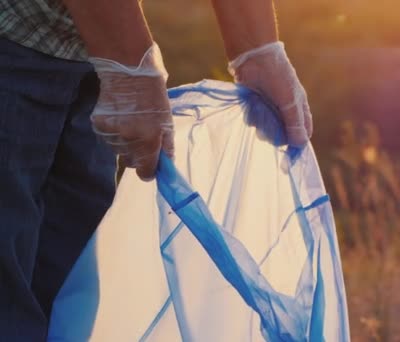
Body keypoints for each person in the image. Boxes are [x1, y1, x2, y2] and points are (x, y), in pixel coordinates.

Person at [0, 0, 313, 340]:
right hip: (18, 38)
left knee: (68, 301)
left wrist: (257, 49)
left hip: (88, 51)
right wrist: (128, 64)